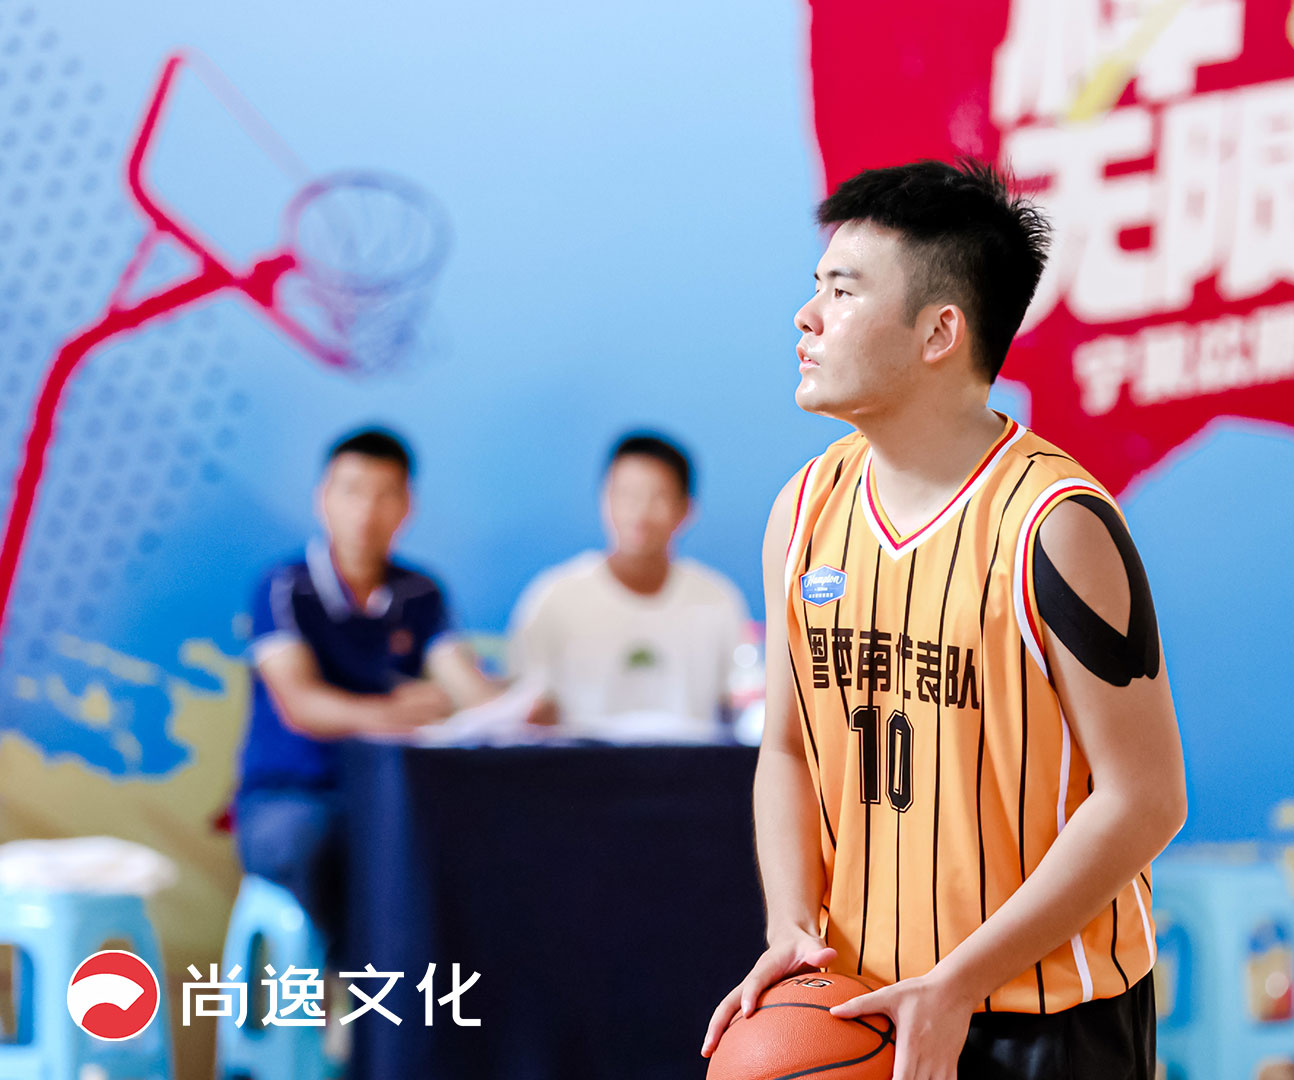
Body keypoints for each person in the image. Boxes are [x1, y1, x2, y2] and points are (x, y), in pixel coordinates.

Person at [702, 160, 1187, 1080]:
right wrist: (790, 927)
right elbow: (789, 748)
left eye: (843, 292)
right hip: (864, 1003)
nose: (807, 317)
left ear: (939, 331)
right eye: (816, 287)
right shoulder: (803, 511)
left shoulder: (1058, 526)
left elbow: (1147, 799)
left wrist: (958, 981)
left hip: (1045, 1017)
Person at [238, 427, 513, 943]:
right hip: (292, 794)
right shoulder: (284, 587)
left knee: (472, 837)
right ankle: (340, 982)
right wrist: (395, 711)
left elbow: (465, 687)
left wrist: (519, 706)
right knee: (310, 840)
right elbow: (300, 705)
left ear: (407, 506)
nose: (366, 511)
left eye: (385, 494)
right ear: (323, 499)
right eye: (352, 491)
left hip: (387, 791)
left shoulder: (421, 593)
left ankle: (416, 987)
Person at [508, 431, 750, 742]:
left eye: (657, 497)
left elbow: (739, 704)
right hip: (580, 768)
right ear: (604, 500)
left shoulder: (717, 599)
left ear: (685, 510)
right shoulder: (554, 597)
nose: (640, 512)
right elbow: (526, 710)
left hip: (690, 766)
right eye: (626, 495)